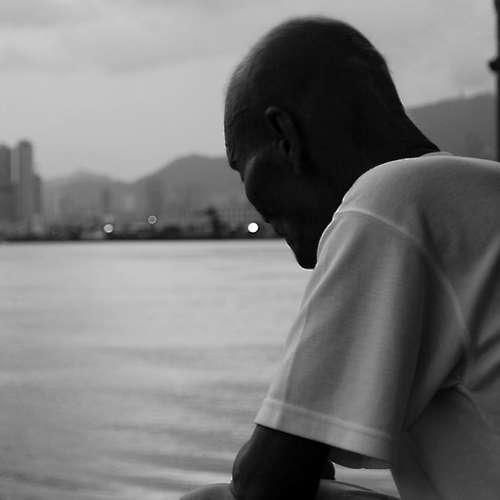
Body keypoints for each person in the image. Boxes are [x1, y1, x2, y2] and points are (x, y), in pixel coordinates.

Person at [181, 17, 500, 500]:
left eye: (240, 166)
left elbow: (266, 483)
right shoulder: (475, 193)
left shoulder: (393, 201)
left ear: (285, 136)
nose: (250, 199)